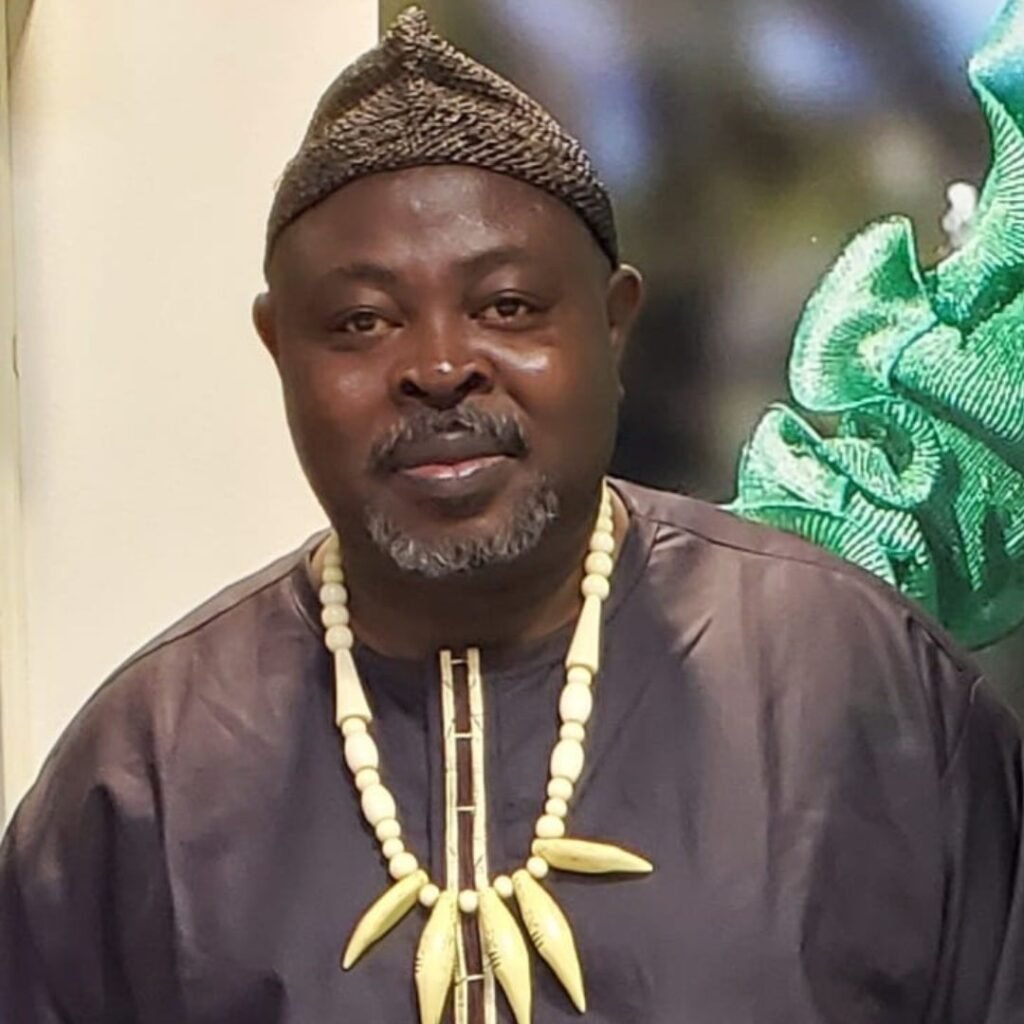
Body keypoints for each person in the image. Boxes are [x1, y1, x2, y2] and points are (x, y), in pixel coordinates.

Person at [1, 8, 1021, 1024]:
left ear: (613, 325)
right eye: (362, 321)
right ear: (281, 351)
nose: (441, 367)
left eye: (508, 307)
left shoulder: (855, 683)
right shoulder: (150, 770)